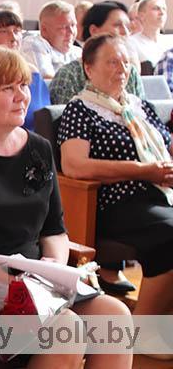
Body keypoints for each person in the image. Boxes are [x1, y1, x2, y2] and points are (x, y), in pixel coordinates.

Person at [0, 45, 133, 369]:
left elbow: (55, 230)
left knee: (115, 316)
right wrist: (8, 280)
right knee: (66, 330)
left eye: (23, 85)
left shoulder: (38, 148)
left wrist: (52, 267)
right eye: (8, 88)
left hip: (39, 283)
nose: (22, 96)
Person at [58, 33, 173, 317]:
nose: (122, 69)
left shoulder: (139, 107)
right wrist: (142, 171)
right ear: (88, 68)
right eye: (112, 62)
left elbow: (166, 147)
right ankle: (144, 328)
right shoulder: (80, 109)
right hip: (113, 203)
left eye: (126, 62)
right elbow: (74, 166)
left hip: (157, 195)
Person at [49, 1, 145, 105]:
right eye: (117, 25)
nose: (125, 32)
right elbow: (63, 113)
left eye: (127, 26)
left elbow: (141, 111)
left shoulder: (130, 72)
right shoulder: (70, 75)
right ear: (94, 30)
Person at [20, 0, 81, 78]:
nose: (71, 31)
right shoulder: (34, 44)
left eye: (73, 25)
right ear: (44, 30)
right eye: (64, 27)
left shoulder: (78, 52)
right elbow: (47, 78)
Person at [129, 0, 169, 66]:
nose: (162, 13)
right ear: (141, 15)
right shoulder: (131, 42)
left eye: (164, 9)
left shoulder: (170, 40)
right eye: (156, 8)